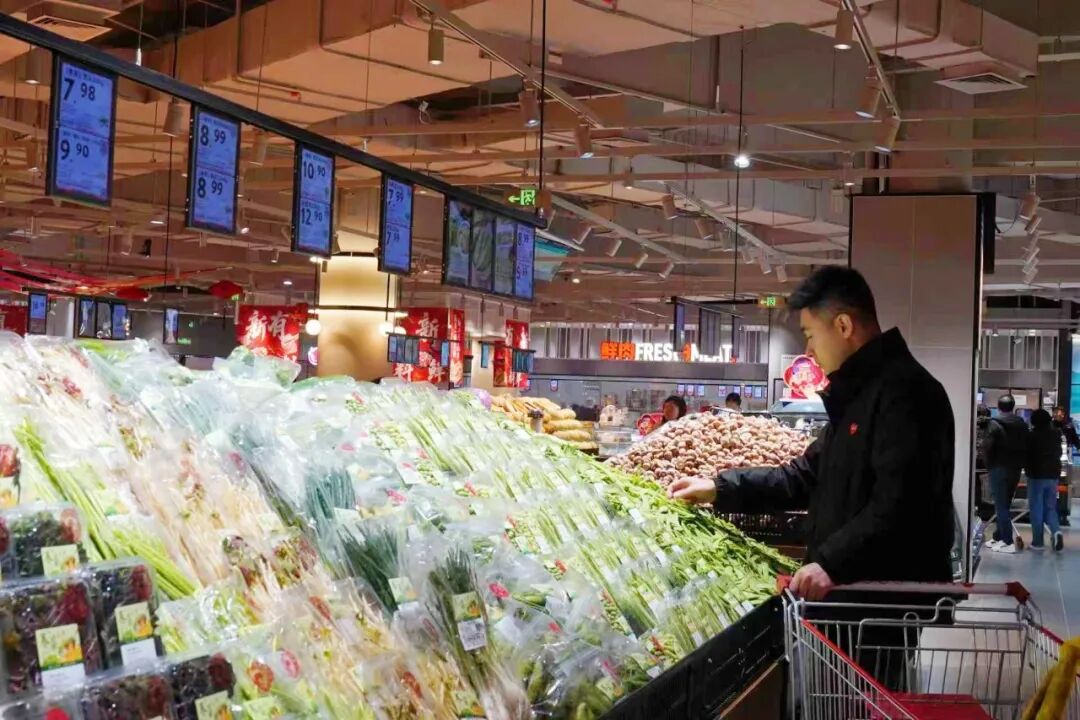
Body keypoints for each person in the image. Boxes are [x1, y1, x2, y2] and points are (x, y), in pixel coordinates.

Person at [668, 267, 955, 689]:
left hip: (875, 605)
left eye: (810, 334)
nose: (808, 349)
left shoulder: (907, 394)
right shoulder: (857, 396)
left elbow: (901, 504)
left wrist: (832, 562)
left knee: (863, 702)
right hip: (847, 598)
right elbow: (804, 475)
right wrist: (719, 487)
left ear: (843, 326)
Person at [983, 395, 1030, 554]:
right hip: (1015, 469)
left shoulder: (994, 423)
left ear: (998, 406)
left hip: (998, 467)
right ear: (1013, 406)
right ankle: (999, 537)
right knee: (1005, 503)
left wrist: (988, 465)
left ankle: (1008, 541)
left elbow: (988, 447)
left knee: (1000, 505)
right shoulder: (1022, 424)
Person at [1026, 409, 1065, 552]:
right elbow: (1059, 453)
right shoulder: (1056, 434)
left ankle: (1038, 543)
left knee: (1036, 508)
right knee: (1050, 507)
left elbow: (1027, 454)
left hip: (1036, 476)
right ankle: (1056, 531)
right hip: (1053, 475)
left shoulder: (1031, 435)